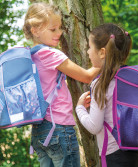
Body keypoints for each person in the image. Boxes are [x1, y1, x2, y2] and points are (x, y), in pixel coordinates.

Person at [23, 2, 99, 167]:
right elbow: (86, 77)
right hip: (59, 129)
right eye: (53, 29)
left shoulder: (29, 56)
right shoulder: (51, 54)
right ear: (35, 30)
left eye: (60, 28)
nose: (59, 33)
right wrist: (106, 59)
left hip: (39, 131)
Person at [75, 23, 138, 167]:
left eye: (89, 47)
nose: (87, 52)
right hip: (136, 151)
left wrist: (79, 108)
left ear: (101, 52)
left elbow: (94, 126)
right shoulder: (131, 77)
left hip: (114, 154)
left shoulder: (101, 84)